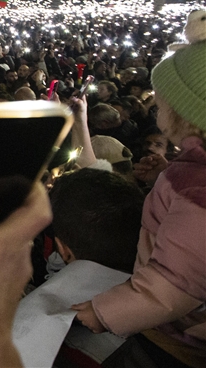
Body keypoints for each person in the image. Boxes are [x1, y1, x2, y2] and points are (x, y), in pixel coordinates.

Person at [73, 20, 206, 368]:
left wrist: (105, 312)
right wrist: (168, 178)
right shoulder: (193, 177)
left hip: (174, 339)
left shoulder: (198, 191)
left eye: (162, 106)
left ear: (188, 116)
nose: (156, 111)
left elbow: (175, 281)